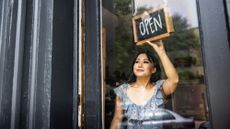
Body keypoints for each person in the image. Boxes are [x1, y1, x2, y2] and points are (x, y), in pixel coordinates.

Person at [110, 40, 179, 129]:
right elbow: (117, 119)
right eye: (137, 62)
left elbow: (174, 80)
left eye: (145, 62)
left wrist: (161, 52)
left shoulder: (160, 89)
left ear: (153, 69)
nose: (140, 65)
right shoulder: (122, 91)